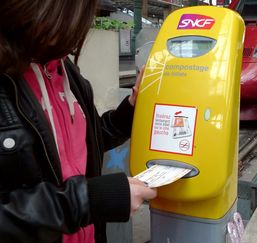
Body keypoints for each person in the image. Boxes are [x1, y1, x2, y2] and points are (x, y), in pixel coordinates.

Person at [0, 1, 157, 242]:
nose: (77, 32)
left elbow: (91, 140)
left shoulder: (67, 73)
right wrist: (89, 200)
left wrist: (133, 107)